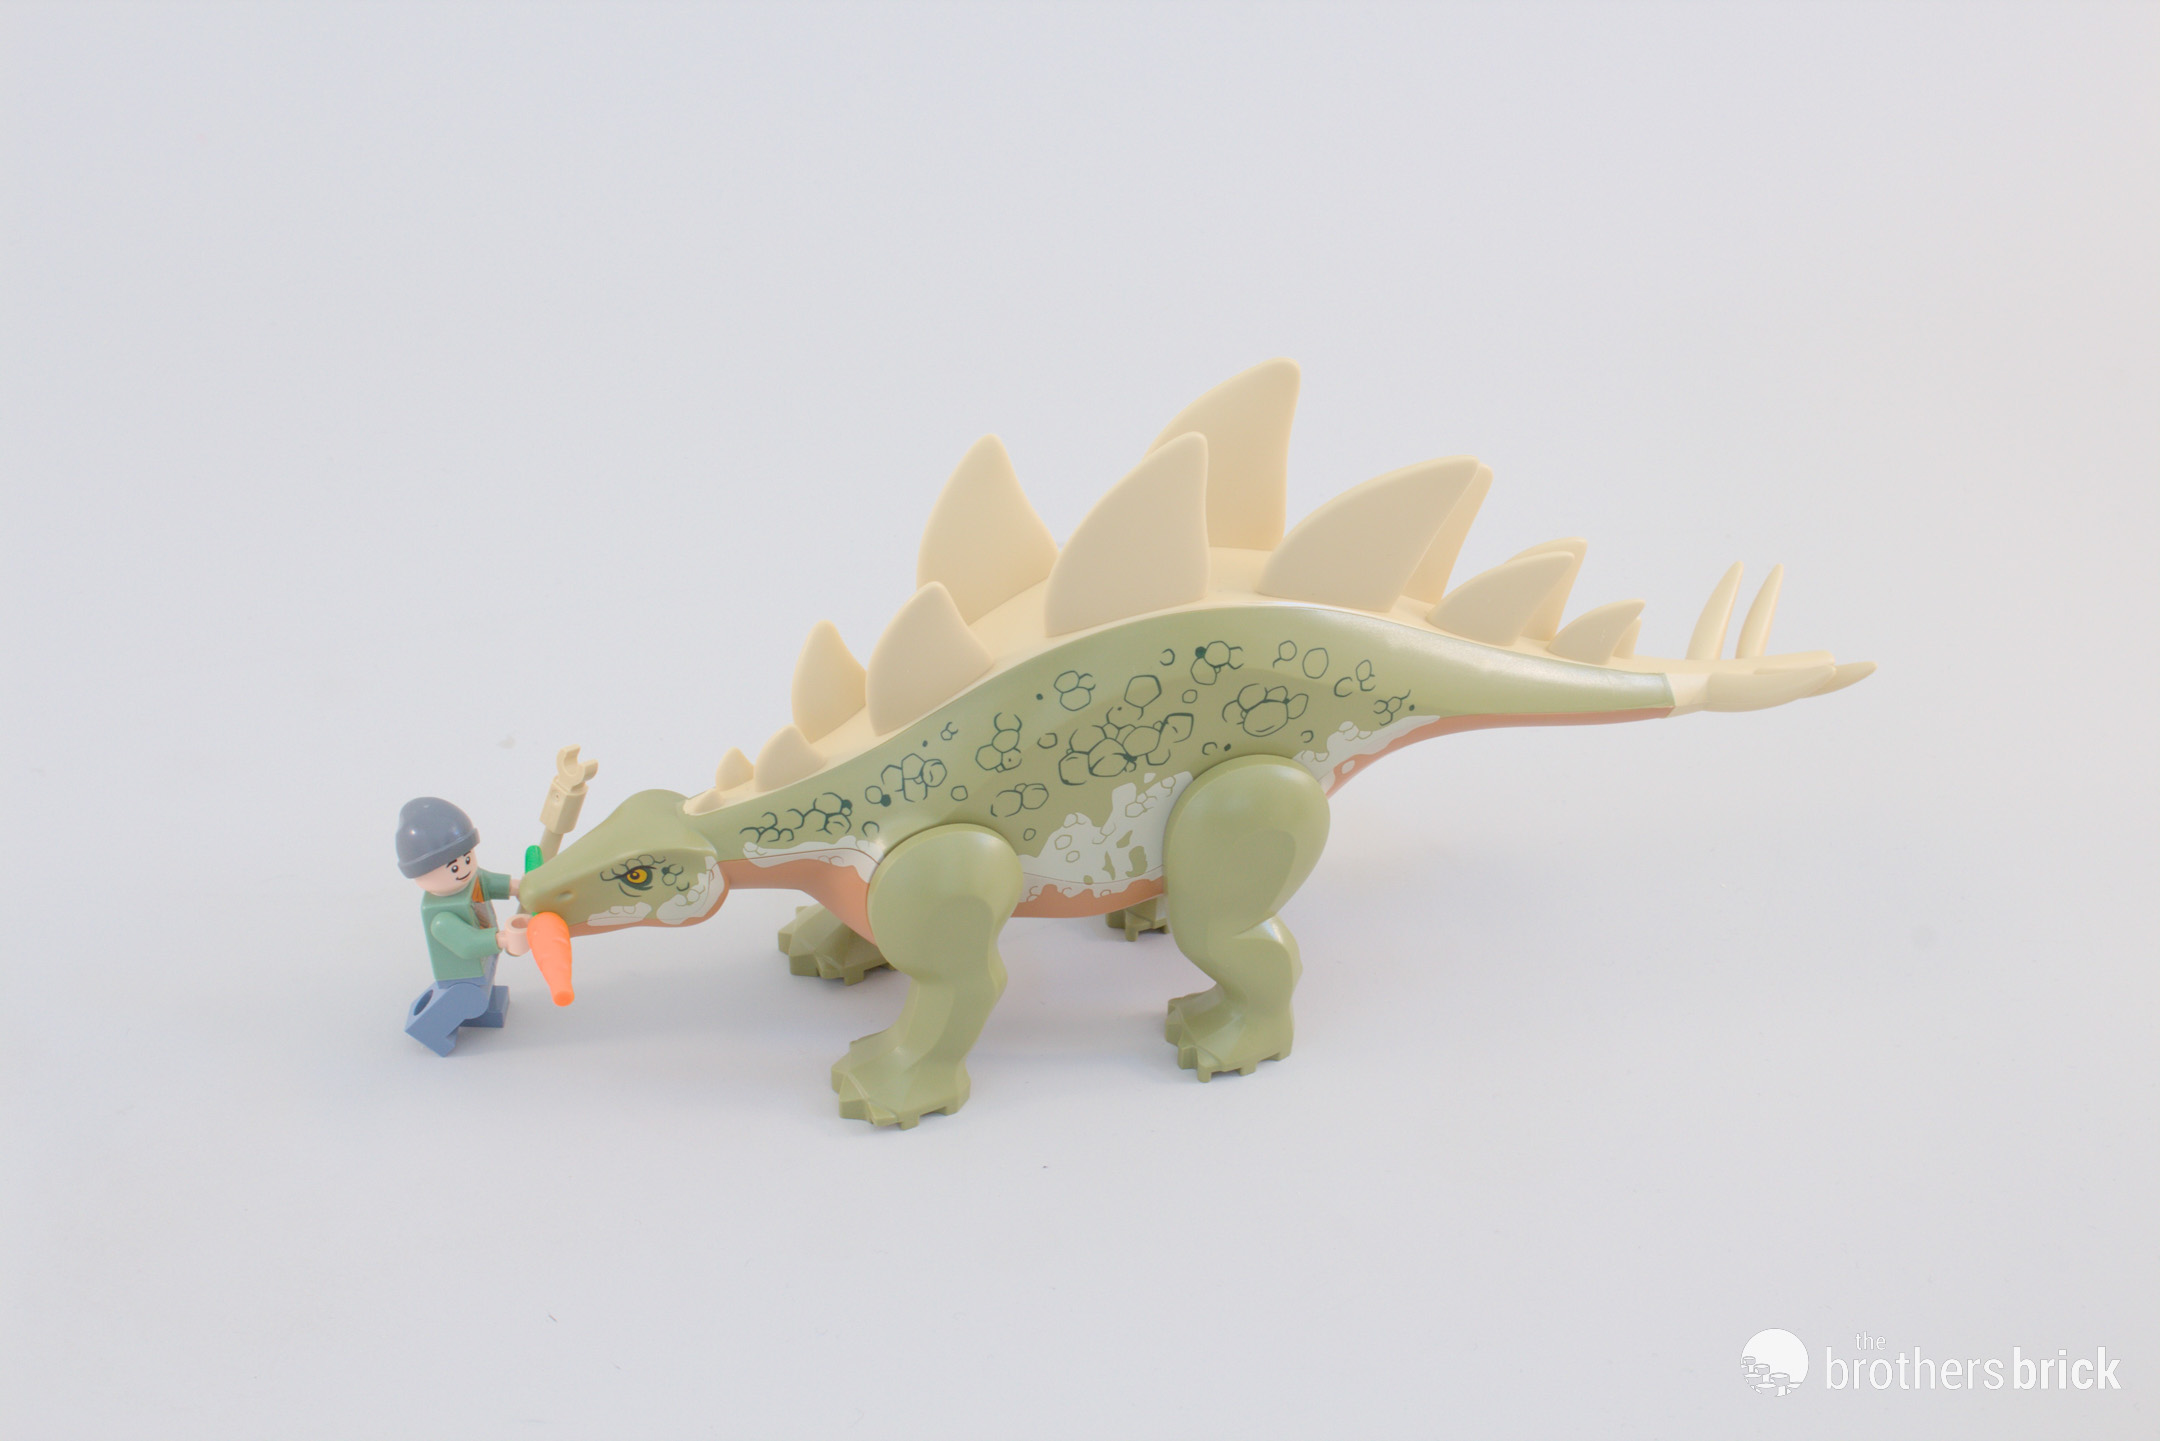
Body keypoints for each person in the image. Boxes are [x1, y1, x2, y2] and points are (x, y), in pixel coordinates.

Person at [396, 797, 529, 1056]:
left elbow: (489, 881)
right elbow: (467, 944)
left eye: (467, 859)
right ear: (421, 874)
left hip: (485, 958)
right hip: (464, 973)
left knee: (486, 984)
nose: (463, 870)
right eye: (454, 866)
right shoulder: (441, 916)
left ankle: (486, 1008)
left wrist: (517, 888)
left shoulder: (472, 880)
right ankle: (430, 1031)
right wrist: (502, 939)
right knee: (470, 997)